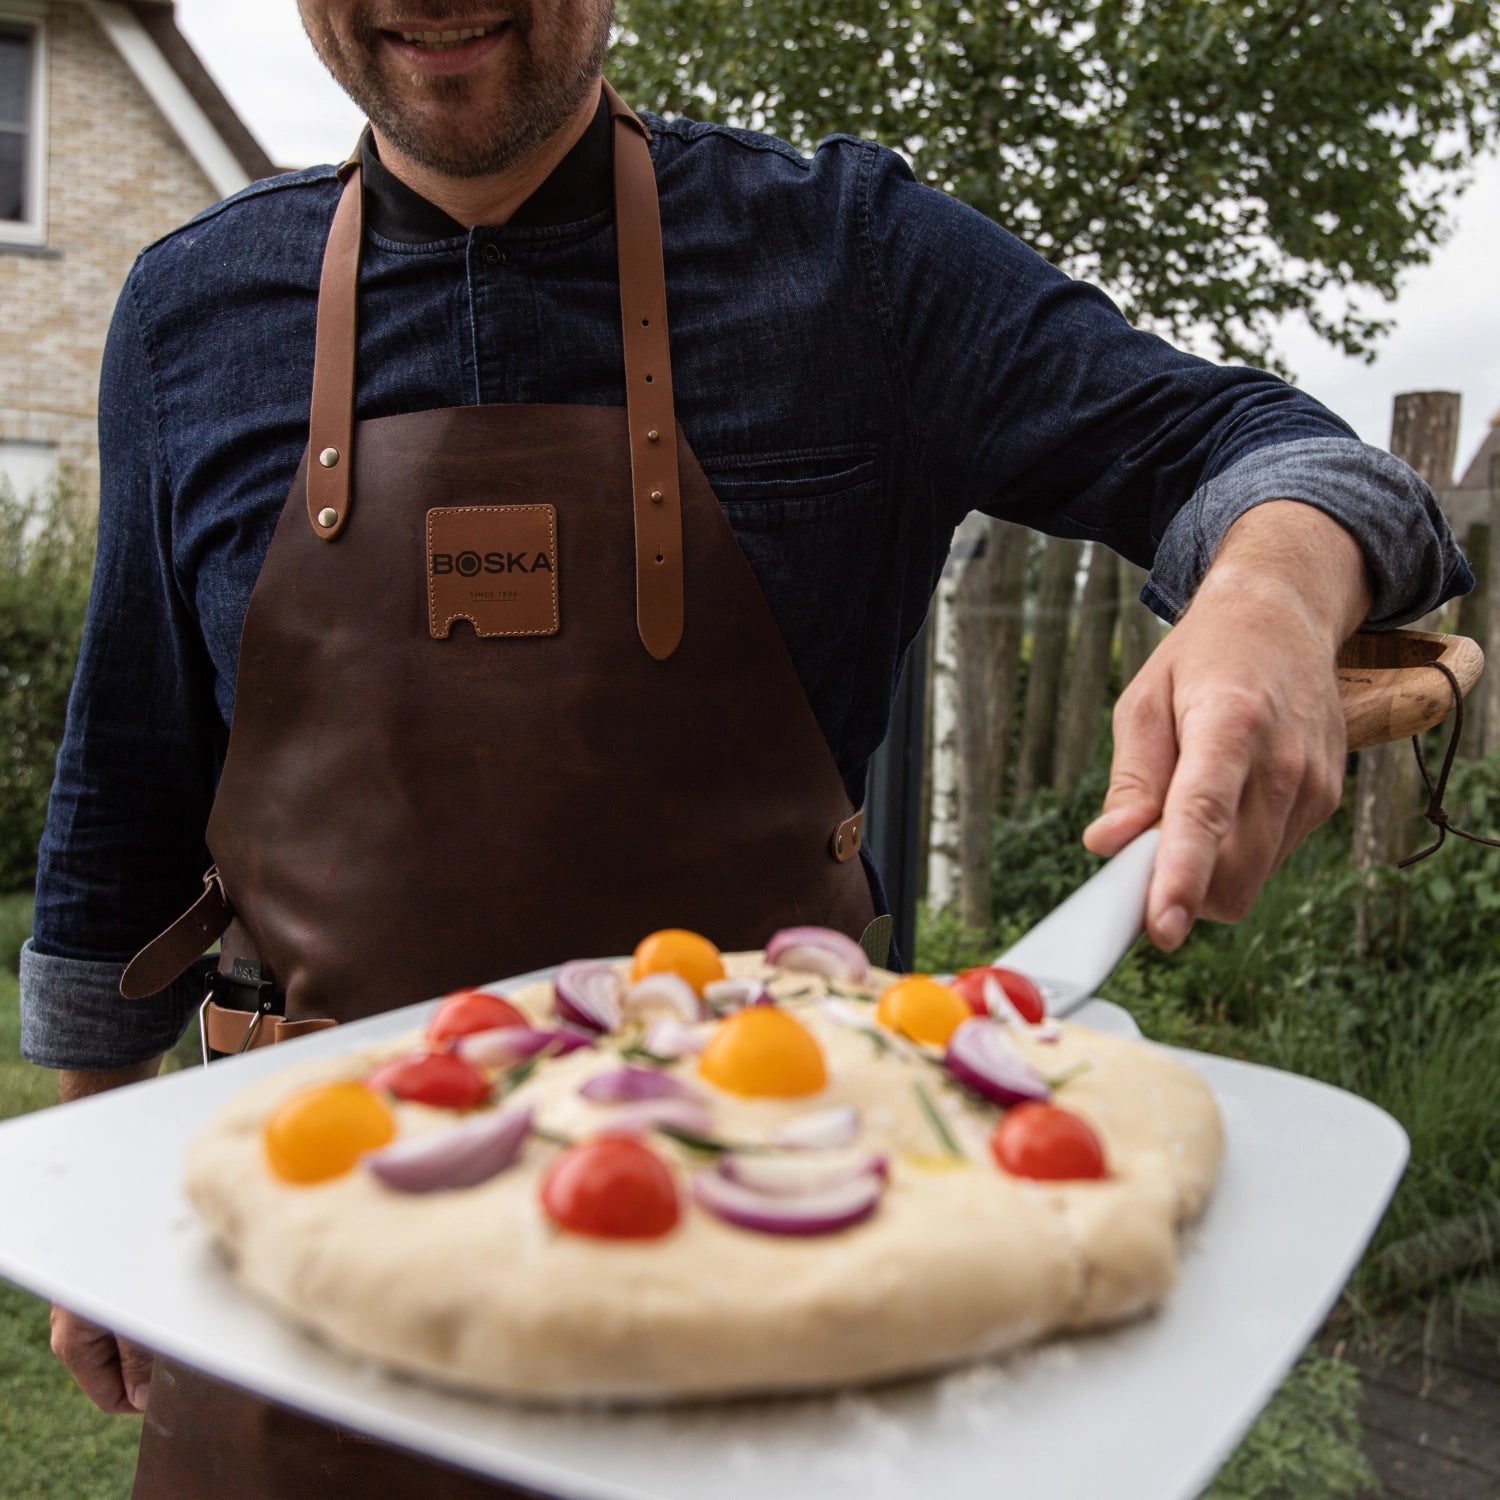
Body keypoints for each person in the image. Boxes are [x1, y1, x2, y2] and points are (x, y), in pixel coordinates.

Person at [21, 2, 1469, 1496]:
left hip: (800, 1282)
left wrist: (1277, 588)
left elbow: (1269, 453)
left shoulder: (855, 260)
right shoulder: (189, 308)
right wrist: (87, 1187)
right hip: (302, 1262)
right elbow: (128, 779)